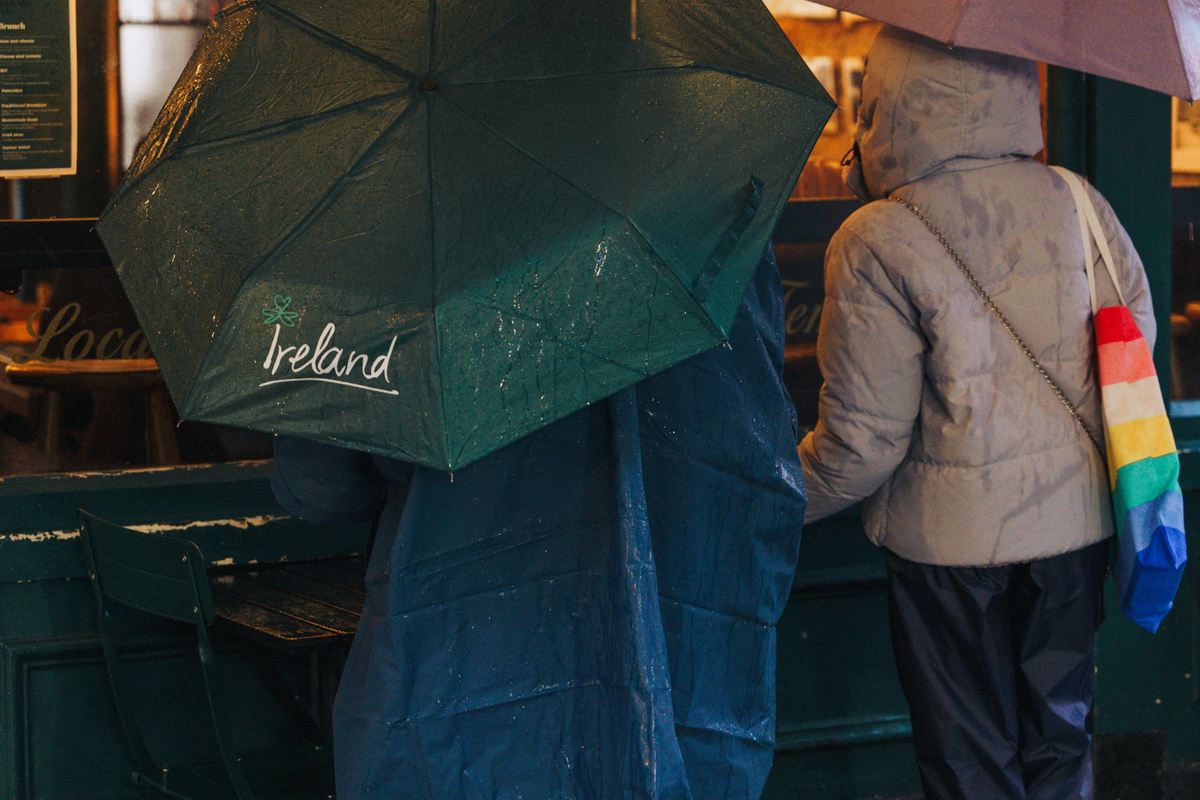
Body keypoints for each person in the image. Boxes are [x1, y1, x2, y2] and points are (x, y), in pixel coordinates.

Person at [271, 248, 806, 799]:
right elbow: (759, 460)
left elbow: (318, 488)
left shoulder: (395, 234)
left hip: (452, 660)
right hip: (685, 646)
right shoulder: (722, 228)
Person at [798, 27, 1155, 800]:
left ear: (887, 101)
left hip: (950, 556)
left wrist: (775, 499)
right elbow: (1136, 343)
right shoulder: (1076, 199)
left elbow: (863, 444)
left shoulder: (877, 237)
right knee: (1061, 745)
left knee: (969, 765)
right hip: (1074, 534)